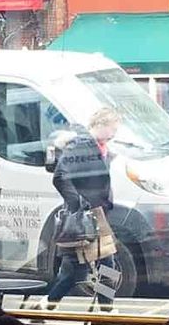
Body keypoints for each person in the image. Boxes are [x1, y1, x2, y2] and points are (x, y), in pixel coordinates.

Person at [47, 106, 120, 303]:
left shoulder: (99, 147)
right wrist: (79, 204)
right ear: (101, 124)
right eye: (113, 128)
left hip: (97, 215)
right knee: (74, 272)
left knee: (107, 263)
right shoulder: (81, 146)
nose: (114, 133)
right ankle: (47, 305)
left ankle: (106, 308)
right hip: (84, 217)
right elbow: (60, 177)